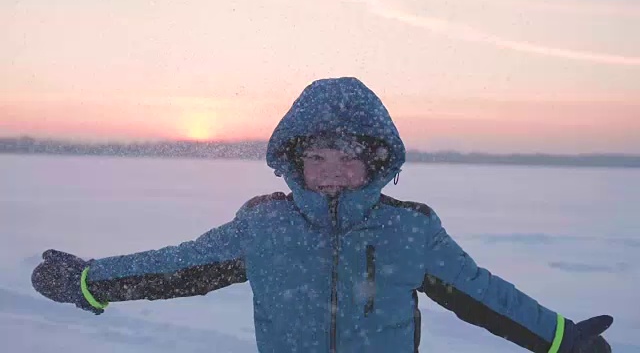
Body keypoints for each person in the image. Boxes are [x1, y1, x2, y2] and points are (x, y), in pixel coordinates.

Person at [32, 77, 613, 353]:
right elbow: (178, 266)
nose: (332, 171)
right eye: (317, 156)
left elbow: (484, 294)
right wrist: (88, 280)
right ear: (295, 160)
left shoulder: (410, 230)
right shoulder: (264, 227)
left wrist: (563, 340)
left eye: (348, 157)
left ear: (375, 161)